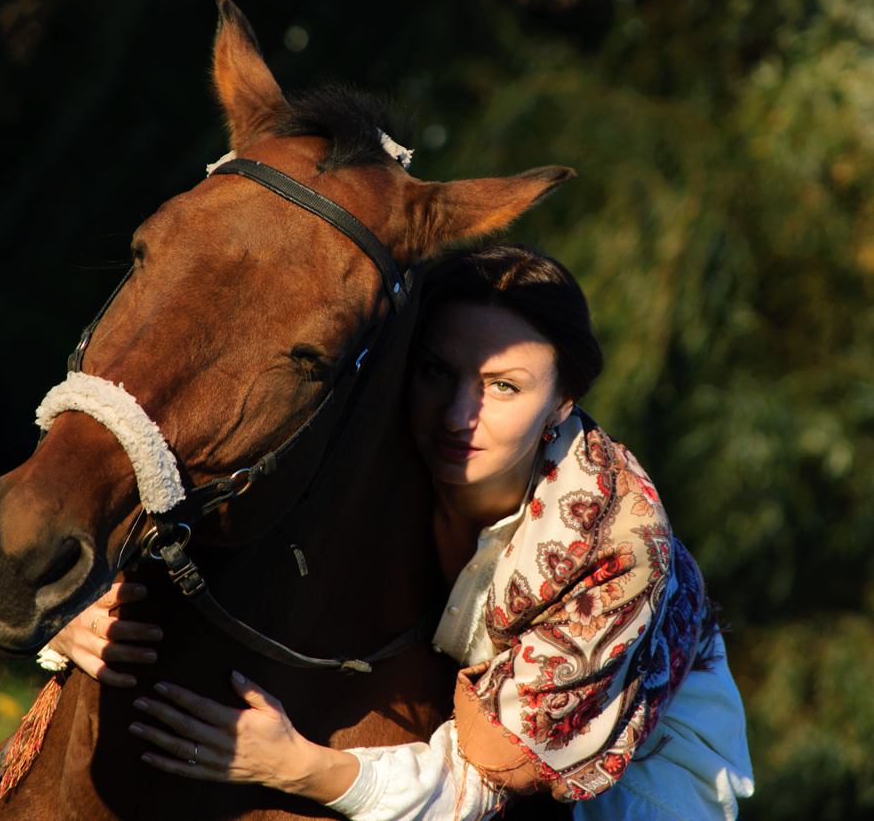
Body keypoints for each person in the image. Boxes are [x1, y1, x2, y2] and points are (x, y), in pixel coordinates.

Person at [47, 245, 755, 820]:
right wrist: (77, 607)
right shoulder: (396, 427)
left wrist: (300, 767)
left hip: (636, 750)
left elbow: (486, 785)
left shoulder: (615, 555)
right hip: (463, 669)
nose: (455, 414)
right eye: (437, 371)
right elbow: (219, 496)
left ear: (563, 401)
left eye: (503, 387)